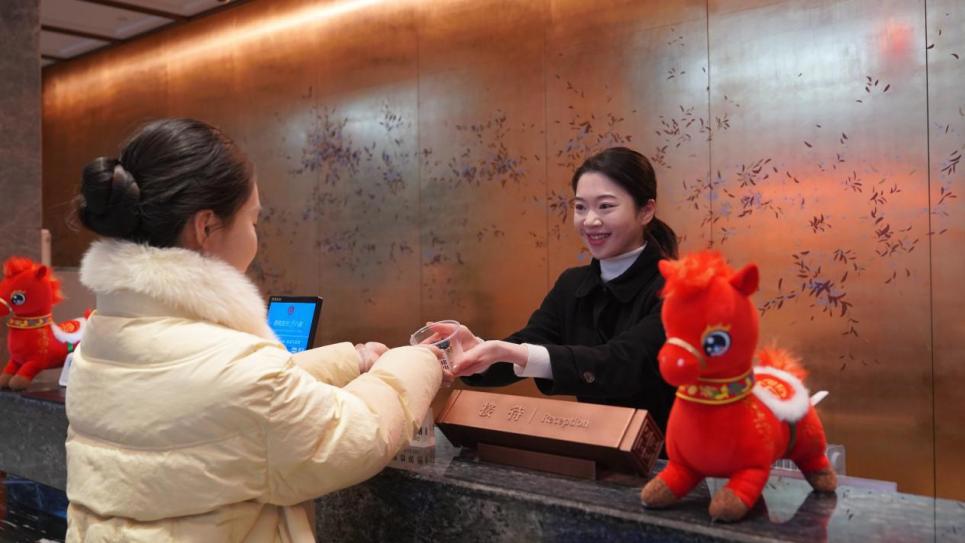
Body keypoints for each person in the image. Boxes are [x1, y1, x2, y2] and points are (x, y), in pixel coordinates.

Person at [65, 118, 444, 542]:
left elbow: (211, 393)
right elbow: (359, 433)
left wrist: (350, 359)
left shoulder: (100, 340)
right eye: (253, 220)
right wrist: (417, 360)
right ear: (206, 227)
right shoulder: (239, 374)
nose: (254, 237)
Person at [448, 147, 678, 431]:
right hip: (596, 447)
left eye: (605, 206)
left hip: (670, 451)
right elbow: (532, 340)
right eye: (580, 207)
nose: (590, 220)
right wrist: (477, 353)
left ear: (646, 211)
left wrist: (518, 354)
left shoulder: (678, 289)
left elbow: (622, 362)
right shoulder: (572, 285)